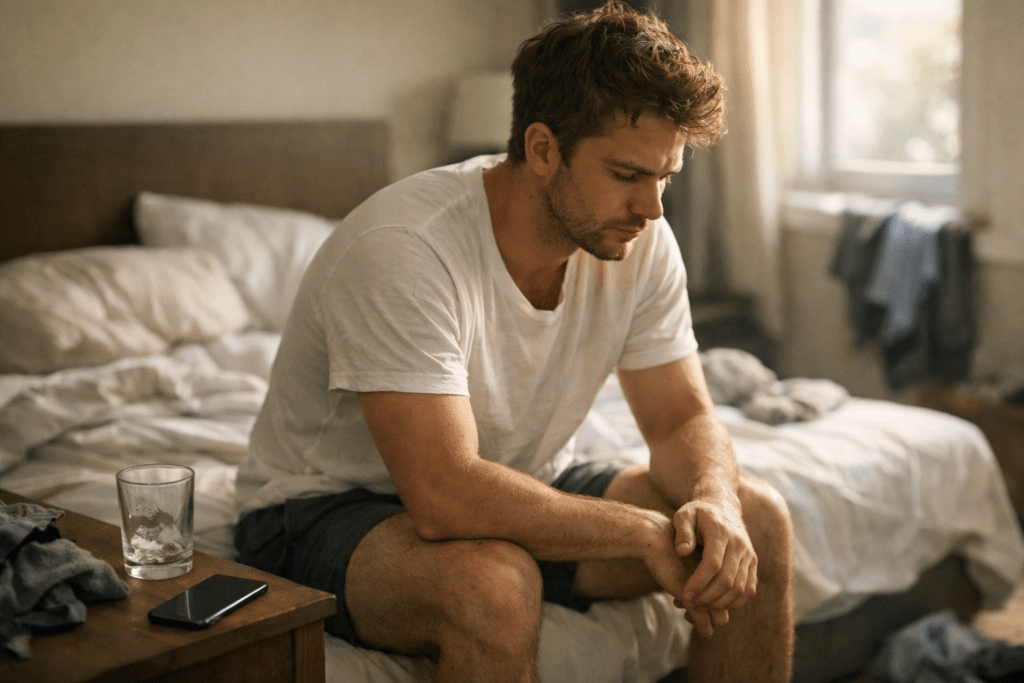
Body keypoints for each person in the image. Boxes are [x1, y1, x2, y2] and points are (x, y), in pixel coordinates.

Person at [234, 3, 795, 681]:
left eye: (665, 176)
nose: (653, 208)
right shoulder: (406, 249)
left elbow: (679, 416)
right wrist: (642, 530)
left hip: (518, 476)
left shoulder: (640, 242)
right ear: (542, 149)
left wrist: (717, 503)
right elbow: (444, 494)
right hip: (321, 509)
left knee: (758, 519)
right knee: (492, 585)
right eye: (626, 175)